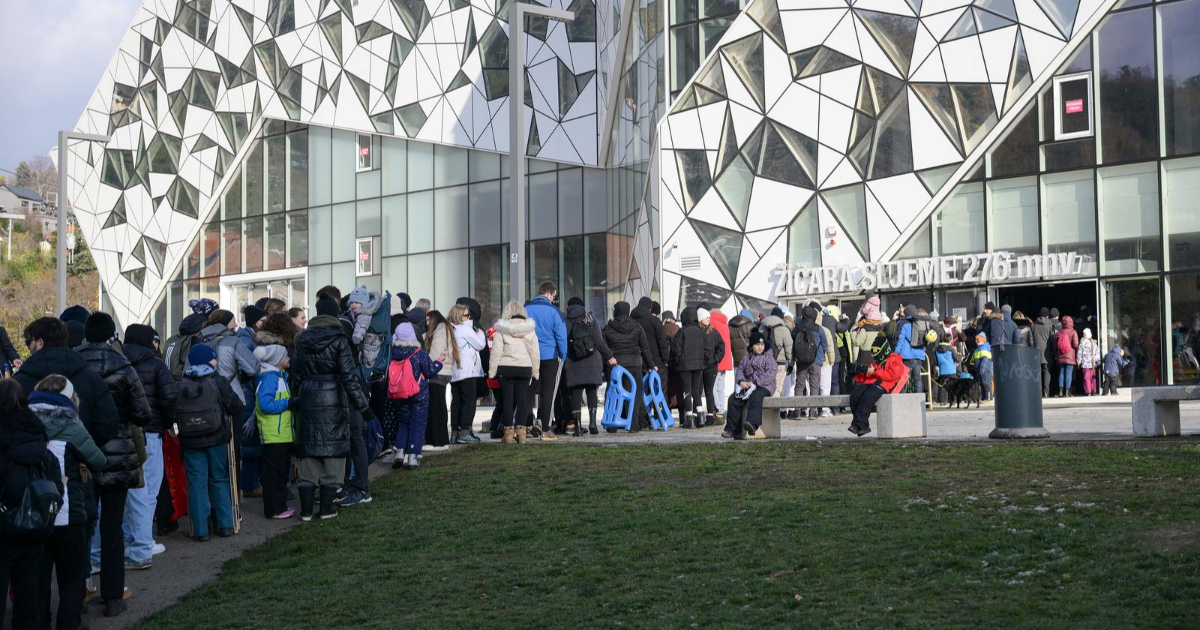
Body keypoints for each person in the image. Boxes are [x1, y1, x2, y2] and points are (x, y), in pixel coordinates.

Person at [76, 312, 153, 615]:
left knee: (80, 525)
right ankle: (112, 597)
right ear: (111, 334)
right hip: (117, 452)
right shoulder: (122, 364)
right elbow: (142, 412)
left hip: (80, 451)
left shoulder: (73, 362)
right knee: (112, 526)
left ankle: (78, 591)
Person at [28, 376, 106, 630]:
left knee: (39, 579)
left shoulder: (24, 423)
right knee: (71, 579)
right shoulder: (72, 426)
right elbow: (98, 460)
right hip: (68, 512)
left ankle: (40, 623)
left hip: (35, 513)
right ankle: (68, 624)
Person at [292, 296, 374, 517]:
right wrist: (363, 407)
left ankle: (306, 511)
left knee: (309, 453)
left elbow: (296, 375)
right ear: (335, 314)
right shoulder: (339, 339)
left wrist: (294, 400)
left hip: (308, 399)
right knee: (333, 452)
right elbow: (348, 377)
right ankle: (326, 509)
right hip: (334, 400)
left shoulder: (301, 339)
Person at [0, 379, 64, 627]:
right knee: (28, 602)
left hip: (4, 531)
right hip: (33, 530)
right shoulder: (40, 445)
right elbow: (56, 485)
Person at [121, 324, 177, 571]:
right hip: (151, 432)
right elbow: (168, 398)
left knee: (128, 491)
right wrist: (169, 423)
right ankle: (143, 542)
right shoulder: (156, 365)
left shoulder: (119, 361)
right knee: (149, 489)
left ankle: (128, 540)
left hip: (123, 434)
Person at [177, 344, 243, 538]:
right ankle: (225, 525)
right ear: (209, 360)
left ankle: (201, 530)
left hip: (190, 440)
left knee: (196, 483)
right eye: (214, 359)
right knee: (220, 478)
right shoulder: (218, 380)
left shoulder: (181, 383)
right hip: (216, 438)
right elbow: (236, 406)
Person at [384, 322, 443, 467]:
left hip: (400, 394)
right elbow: (429, 371)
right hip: (419, 395)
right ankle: (412, 457)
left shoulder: (392, 353)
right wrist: (439, 362)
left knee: (404, 423)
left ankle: (399, 452)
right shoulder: (419, 353)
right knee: (417, 424)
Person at [489, 301, 540, 443]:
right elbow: (535, 353)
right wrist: (535, 372)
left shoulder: (502, 329)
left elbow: (496, 353)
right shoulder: (530, 330)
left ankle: (509, 434)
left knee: (507, 401)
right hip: (524, 368)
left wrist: (492, 372)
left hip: (506, 369)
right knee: (522, 400)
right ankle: (522, 434)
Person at [253, 344, 294, 519]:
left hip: (280, 433)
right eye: (285, 356)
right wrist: (288, 404)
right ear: (277, 361)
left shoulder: (279, 376)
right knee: (275, 474)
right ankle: (275, 509)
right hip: (274, 435)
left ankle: (279, 506)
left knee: (280, 472)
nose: (288, 359)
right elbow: (265, 404)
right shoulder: (270, 379)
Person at [563, 297, 614, 436]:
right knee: (592, 391)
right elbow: (599, 341)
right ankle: (592, 423)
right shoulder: (590, 319)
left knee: (576, 393)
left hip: (573, 362)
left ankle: (578, 427)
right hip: (592, 361)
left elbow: (563, 344)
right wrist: (609, 356)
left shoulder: (565, 321)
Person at [603, 302, 656, 431]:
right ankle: (633, 424)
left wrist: (602, 369)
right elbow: (645, 348)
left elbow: (603, 350)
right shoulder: (637, 326)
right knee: (635, 394)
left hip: (615, 365)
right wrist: (651, 365)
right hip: (634, 364)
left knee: (614, 393)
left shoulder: (608, 328)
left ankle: (612, 425)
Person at [526, 282, 568, 439]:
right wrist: (563, 356)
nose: (554, 298)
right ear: (550, 293)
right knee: (549, 392)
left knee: (529, 390)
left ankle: (526, 425)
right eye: (554, 295)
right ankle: (545, 428)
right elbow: (561, 336)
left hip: (530, 356)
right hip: (550, 356)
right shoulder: (554, 311)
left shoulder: (526, 310)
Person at [722, 330, 776, 439]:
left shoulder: (768, 357)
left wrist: (755, 383)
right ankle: (732, 430)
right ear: (751, 346)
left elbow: (771, 374)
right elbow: (740, 372)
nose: (760, 347)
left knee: (756, 395)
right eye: (757, 345)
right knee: (733, 398)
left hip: (765, 387)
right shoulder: (745, 358)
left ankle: (753, 424)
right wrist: (742, 382)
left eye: (762, 344)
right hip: (748, 386)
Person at [447, 304, 486, 444]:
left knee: (456, 401)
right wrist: (480, 333)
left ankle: (455, 432)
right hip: (467, 370)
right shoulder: (464, 329)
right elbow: (480, 344)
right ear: (459, 316)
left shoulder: (450, 329)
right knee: (469, 401)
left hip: (455, 371)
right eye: (466, 315)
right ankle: (465, 431)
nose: (469, 318)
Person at [847, 350, 909, 436]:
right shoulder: (878, 361)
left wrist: (871, 371)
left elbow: (889, 375)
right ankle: (861, 425)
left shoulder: (895, 360)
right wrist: (856, 372)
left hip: (886, 385)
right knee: (854, 396)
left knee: (867, 397)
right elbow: (869, 375)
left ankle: (859, 425)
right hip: (873, 382)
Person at [669, 307, 707, 428]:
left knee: (687, 390)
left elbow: (675, 349)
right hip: (699, 365)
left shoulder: (682, 331)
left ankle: (689, 418)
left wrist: (677, 361)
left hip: (684, 365)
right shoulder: (702, 331)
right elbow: (708, 349)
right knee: (696, 390)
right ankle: (700, 416)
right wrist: (704, 361)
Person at [422, 310, 455, 449]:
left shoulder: (440, 330)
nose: (427, 323)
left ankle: (436, 441)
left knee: (436, 407)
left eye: (428, 320)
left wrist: (426, 366)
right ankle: (440, 440)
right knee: (439, 405)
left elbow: (435, 352)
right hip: (444, 370)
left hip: (438, 371)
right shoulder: (446, 328)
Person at [793, 305, 828, 417]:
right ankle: (813, 412)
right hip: (816, 361)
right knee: (814, 386)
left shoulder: (798, 327)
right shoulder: (819, 328)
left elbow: (793, 341)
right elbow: (825, 345)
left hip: (801, 361)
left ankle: (797, 411)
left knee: (800, 386)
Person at [702, 307, 729, 426]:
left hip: (715, 361)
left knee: (712, 387)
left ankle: (718, 411)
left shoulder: (712, 323)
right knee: (720, 387)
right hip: (725, 359)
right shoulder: (725, 323)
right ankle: (721, 410)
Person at [759, 307, 793, 400]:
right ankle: (772, 411)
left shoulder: (762, 327)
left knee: (764, 387)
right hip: (779, 363)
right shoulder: (784, 329)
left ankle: (764, 411)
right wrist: (791, 363)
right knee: (777, 389)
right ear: (781, 317)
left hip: (763, 363)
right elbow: (789, 348)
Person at [894, 305, 929, 394]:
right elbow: (927, 341)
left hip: (907, 357)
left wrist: (895, 353)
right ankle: (919, 399)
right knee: (917, 379)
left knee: (904, 379)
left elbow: (900, 339)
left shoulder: (903, 323)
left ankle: (902, 399)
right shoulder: (921, 323)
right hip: (919, 356)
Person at [1031, 307, 1055, 397]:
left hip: (1036, 352)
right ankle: (1046, 392)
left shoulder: (1033, 325)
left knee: (1037, 372)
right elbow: (1052, 339)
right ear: (1047, 315)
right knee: (1046, 371)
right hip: (1047, 352)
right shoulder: (1049, 325)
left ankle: (1037, 391)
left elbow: (1031, 338)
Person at [1055, 315, 1080, 396]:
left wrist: (1055, 354)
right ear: (1071, 322)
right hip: (1070, 356)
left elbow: (1055, 345)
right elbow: (1076, 345)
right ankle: (1067, 391)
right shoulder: (1073, 332)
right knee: (1068, 373)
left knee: (1061, 372)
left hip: (1060, 355)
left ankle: (1060, 391)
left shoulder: (1058, 332)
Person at [1077, 328, 1100, 396]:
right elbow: (1097, 354)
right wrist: (1098, 363)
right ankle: (1093, 391)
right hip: (1093, 364)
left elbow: (1079, 354)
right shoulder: (1094, 344)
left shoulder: (1082, 344)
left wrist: (1078, 362)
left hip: (1085, 364)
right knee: (1093, 378)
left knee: (1086, 378)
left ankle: (1088, 392)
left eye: (1084, 334)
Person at [971, 332, 994, 403]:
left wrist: (982, 368)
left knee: (986, 383)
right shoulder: (978, 349)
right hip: (979, 370)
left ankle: (988, 398)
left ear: (983, 340)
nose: (976, 341)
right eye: (976, 340)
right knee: (982, 383)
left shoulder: (984, 348)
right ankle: (984, 397)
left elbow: (985, 359)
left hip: (985, 369)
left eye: (978, 340)